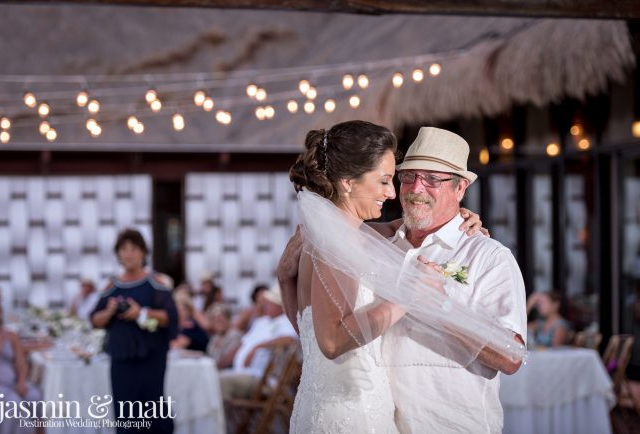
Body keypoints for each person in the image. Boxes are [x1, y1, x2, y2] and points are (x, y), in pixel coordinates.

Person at [279, 124, 526, 433]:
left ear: (460, 189)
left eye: (433, 179)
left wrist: (441, 305)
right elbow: (317, 334)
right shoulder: (369, 243)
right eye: (407, 176)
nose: (413, 189)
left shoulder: (488, 256)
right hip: (371, 417)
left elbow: (513, 356)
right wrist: (284, 275)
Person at [90, 228, 178, 434]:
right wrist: (110, 312)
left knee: (152, 409)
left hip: (151, 357)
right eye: (124, 249)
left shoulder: (155, 284)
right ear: (118, 254)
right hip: (121, 359)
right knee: (125, 412)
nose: (129, 254)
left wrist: (141, 313)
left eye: (134, 249)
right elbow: (95, 320)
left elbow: (170, 317)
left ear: (143, 253)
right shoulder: (112, 286)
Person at [219, 286, 297, 400]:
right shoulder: (261, 321)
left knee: (219, 382)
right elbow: (242, 345)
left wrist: (258, 347)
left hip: (262, 378)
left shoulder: (286, 321)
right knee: (211, 379)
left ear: (279, 306)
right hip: (242, 373)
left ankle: (219, 418)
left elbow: (289, 340)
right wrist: (218, 364)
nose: (265, 306)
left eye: (269, 303)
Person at [0, 290, 41, 434]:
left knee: (35, 397)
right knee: (14, 404)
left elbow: (21, 364)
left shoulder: (11, 335)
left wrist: (21, 382)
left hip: (13, 382)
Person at [206, 303, 243, 369]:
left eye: (221, 320)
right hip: (213, 370)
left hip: (228, 371)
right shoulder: (215, 337)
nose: (218, 324)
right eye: (215, 321)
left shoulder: (234, 335)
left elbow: (227, 361)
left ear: (228, 319)